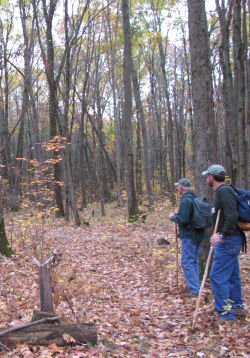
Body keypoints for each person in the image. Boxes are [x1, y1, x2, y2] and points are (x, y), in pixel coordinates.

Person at [202, 164, 246, 321]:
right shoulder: (223, 191)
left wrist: (221, 235)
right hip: (230, 241)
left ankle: (226, 313)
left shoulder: (224, 191)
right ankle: (237, 307)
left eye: (207, 176)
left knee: (217, 276)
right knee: (232, 276)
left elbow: (231, 217)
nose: (207, 178)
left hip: (228, 241)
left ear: (211, 177)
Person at [169, 178, 207, 297]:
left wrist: (173, 217)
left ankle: (195, 290)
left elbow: (183, 219)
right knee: (193, 261)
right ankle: (196, 287)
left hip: (189, 235)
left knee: (187, 262)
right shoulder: (194, 197)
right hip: (198, 234)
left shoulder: (186, 200)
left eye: (178, 187)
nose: (178, 189)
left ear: (181, 187)